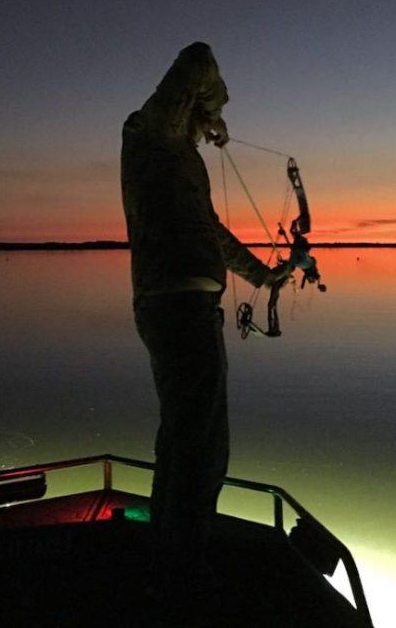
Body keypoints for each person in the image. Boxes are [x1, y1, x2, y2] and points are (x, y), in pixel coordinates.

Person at [120, 42, 288, 606]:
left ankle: (166, 559)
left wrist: (264, 276)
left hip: (188, 309)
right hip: (175, 308)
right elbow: (197, 58)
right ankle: (182, 578)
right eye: (196, 115)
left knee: (182, 440)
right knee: (204, 447)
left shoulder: (185, 161)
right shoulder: (149, 137)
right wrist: (215, 112)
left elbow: (211, 231)